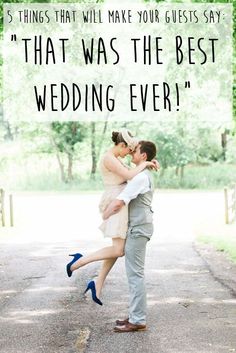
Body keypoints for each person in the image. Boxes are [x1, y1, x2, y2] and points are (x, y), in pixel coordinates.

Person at [66, 129, 157, 306]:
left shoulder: (117, 158)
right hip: (115, 201)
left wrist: (147, 162)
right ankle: (78, 262)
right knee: (118, 250)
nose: (129, 154)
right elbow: (131, 175)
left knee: (118, 247)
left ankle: (97, 283)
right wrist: (145, 164)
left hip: (121, 201)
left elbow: (133, 174)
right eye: (128, 150)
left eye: (132, 152)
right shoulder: (109, 158)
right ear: (121, 146)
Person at [102, 140, 157, 332]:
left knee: (135, 275)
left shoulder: (141, 178)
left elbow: (120, 202)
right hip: (140, 227)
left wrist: (106, 214)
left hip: (138, 228)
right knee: (135, 274)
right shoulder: (143, 174)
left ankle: (138, 319)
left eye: (135, 151)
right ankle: (135, 314)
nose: (132, 153)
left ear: (143, 156)